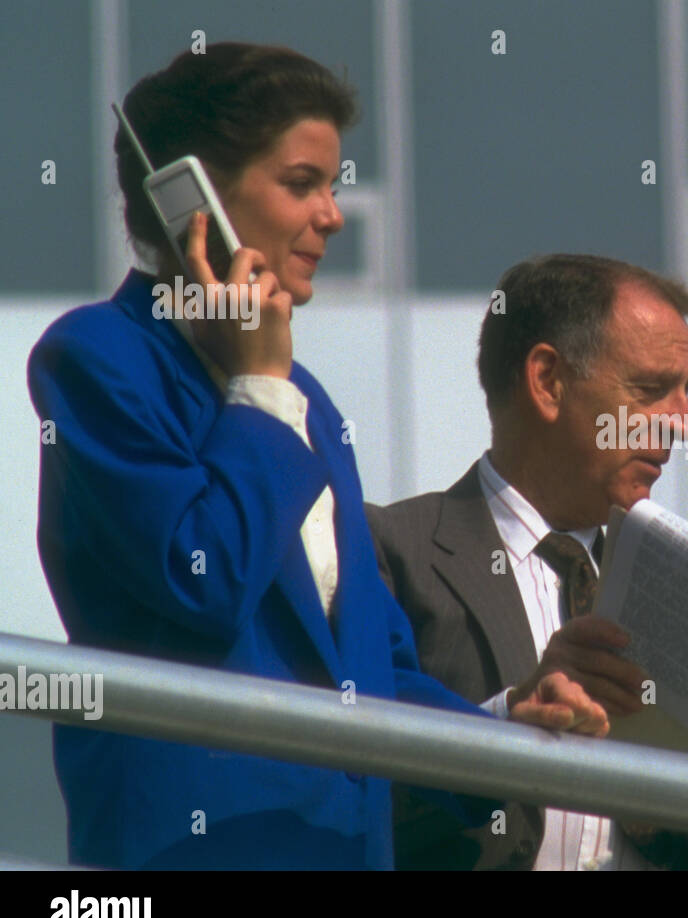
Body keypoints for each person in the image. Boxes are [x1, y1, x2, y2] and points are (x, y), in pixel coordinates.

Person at [28, 43, 601, 870]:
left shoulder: (310, 403)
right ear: (192, 198)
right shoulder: (97, 359)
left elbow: (374, 670)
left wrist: (507, 733)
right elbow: (202, 578)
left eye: (332, 186)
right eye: (302, 184)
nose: (332, 215)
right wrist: (257, 389)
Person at [366, 253, 688, 869]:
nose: (684, 424)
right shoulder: (390, 552)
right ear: (548, 381)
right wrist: (507, 724)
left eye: (687, 394)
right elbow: (349, 785)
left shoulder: (680, 596)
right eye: (653, 389)